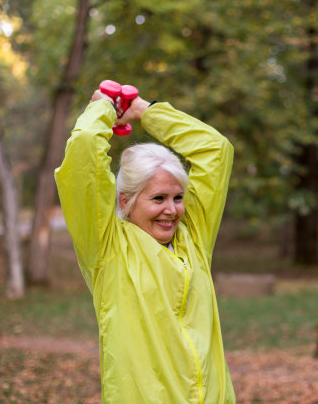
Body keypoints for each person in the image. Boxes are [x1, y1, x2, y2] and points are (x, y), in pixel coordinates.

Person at [54, 83, 236, 403]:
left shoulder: (193, 237)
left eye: (178, 197)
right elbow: (84, 148)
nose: (172, 210)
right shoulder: (106, 247)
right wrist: (103, 109)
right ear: (126, 200)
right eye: (158, 198)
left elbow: (215, 150)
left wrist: (145, 111)